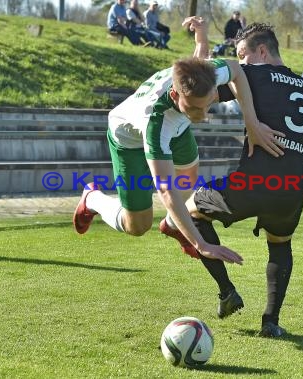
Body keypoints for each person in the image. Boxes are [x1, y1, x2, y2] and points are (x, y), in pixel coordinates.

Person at [73, 16, 285, 265]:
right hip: (127, 139)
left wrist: (252, 122)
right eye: (196, 109)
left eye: (207, 107)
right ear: (175, 95)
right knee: (138, 225)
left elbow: (235, 70)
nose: (203, 116)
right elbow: (166, 190)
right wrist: (201, 244)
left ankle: (174, 226)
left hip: (178, 126)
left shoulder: (206, 76)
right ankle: (92, 199)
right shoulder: (156, 124)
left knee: (189, 177)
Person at [164, 21, 303, 338]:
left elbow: (199, 85)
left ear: (262, 51)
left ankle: (226, 291)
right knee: (280, 245)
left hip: (254, 182)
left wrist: (200, 42)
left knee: (185, 213)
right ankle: (270, 322)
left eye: (243, 54)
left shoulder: (253, 74)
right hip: (292, 189)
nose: (241, 62)